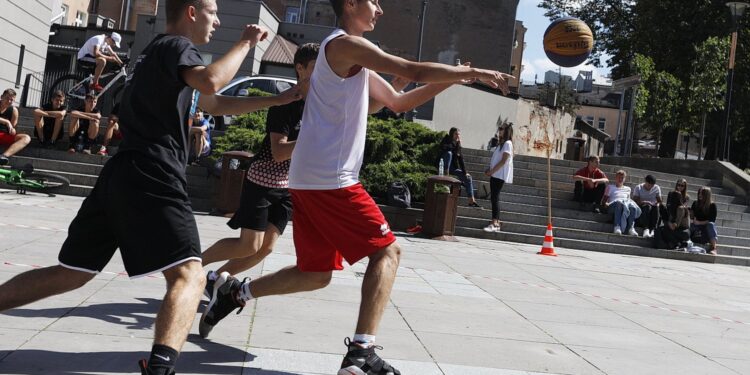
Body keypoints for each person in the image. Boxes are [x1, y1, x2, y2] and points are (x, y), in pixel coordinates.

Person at [197, 1, 513, 374]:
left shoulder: (355, 62)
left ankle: (235, 293)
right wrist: (471, 70)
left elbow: (397, 102)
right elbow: (410, 69)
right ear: (350, 4)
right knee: (388, 253)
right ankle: (361, 353)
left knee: (315, 274)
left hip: (311, 179)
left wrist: (452, 79)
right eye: (373, 1)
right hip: (331, 179)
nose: (379, 9)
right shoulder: (344, 44)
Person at [0, 0, 301, 373]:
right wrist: (245, 43)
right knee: (190, 275)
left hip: (122, 172)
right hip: (154, 171)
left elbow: (212, 102)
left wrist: (278, 99)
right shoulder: (176, 46)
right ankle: (161, 368)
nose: (217, 20)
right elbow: (210, 80)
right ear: (191, 12)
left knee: (71, 273)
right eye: (212, 11)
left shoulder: (156, 53)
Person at [200, 43, 320, 295]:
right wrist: (315, 137)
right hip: (263, 179)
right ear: (301, 68)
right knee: (248, 246)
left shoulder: (321, 104)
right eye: (317, 66)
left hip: (288, 186)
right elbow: (278, 152)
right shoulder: (286, 102)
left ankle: (215, 279)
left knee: (265, 249)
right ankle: (195, 265)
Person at [483, 123, 513, 232]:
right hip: (495, 174)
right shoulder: (501, 144)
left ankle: (495, 223)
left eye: (502, 129)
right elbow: (497, 159)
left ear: (506, 131)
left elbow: (504, 161)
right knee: (494, 197)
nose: (499, 131)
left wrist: (492, 171)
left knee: (495, 197)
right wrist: (490, 169)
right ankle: (496, 222)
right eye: (499, 129)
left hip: (499, 175)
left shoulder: (508, 143)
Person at [439, 127, 480, 207]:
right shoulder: (446, 139)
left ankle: (471, 200)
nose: (457, 136)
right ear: (451, 134)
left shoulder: (457, 145)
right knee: (449, 153)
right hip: (444, 166)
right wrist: (455, 144)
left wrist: (465, 172)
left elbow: (460, 159)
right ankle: (446, 177)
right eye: (456, 134)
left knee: (468, 178)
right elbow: (444, 147)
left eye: (458, 134)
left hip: (453, 168)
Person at [602, 170, 641, 236]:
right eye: (619, 177)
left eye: (622, 178)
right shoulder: (610, 187)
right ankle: (617, 226)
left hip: (625, 206)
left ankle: (631, 228)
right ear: (616, 178)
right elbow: (604, 201)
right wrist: (605, 204)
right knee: (619, 203)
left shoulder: (628, 189)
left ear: (624, 179)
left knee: (632, 206)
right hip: (613, 206)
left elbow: (628, 200)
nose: (620, 179)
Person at [0, 88, 31, 166]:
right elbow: (8, 123)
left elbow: (13, 127)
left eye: (12, 100)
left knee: (26, 138)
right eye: (7, 98)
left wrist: (13, 130)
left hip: (4, 135)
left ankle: (3, 156)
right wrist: (6, 121)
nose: (9, 101)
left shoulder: (14, 110)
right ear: (1, 97)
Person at [690, 186, 718, 254]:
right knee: (690, 226)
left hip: (706, 227)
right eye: (699, 193)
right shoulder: (695, 203)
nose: (700, 195)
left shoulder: (712, 205)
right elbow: (692, 217)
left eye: (702, 193)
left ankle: (714, 248)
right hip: (696, 226)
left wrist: (699, 222)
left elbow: (712, 220)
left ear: (707, 195)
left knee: (711, 225)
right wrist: (689, 213)